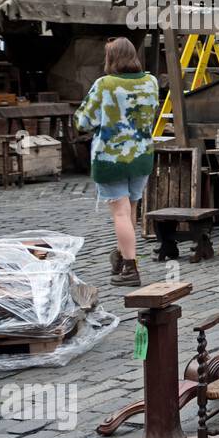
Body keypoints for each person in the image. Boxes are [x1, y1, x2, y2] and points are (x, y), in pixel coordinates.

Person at [73, 37, 160, 286]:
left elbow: (83, 122)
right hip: (142, 154)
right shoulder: (151, 81)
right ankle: (123, 257)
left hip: (111, 158)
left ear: (111, 58)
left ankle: (131, 269)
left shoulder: (104, 84)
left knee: (120, 213)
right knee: (130, 209)